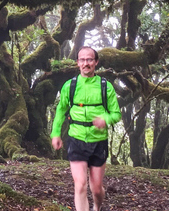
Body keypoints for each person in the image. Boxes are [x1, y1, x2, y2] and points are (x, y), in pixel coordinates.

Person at [51, 46, 121, 211]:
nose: (86, 63)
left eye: (89, 59)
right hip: (76, 139)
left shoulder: (106, 86)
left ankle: (97, 207)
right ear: (77, 63)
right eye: (82, 60)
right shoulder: (70, 86)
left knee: (96, 189)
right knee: (80, 184)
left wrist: (105, 119)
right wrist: (55, 134)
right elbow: (60, 111)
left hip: (99, 142)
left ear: (96, 62)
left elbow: (116, 114)